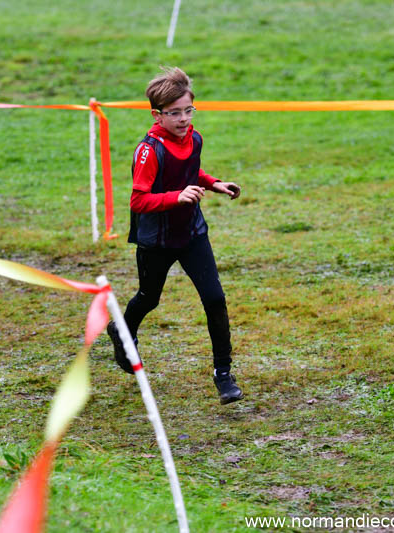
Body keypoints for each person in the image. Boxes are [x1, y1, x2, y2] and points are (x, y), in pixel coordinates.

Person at [107, 66, 244, 405]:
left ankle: (223, 374)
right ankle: (121, 330)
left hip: (192, 233)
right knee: (149, 298)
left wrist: (214, 184)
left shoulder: (194, 138)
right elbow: (138, 200)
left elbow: (190, 171)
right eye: (174, 113)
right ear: (157, 115)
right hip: (156, 239)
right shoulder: (148, 150)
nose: (183, 119)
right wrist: (176, 197)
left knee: (215, 299)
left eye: (188, 110)